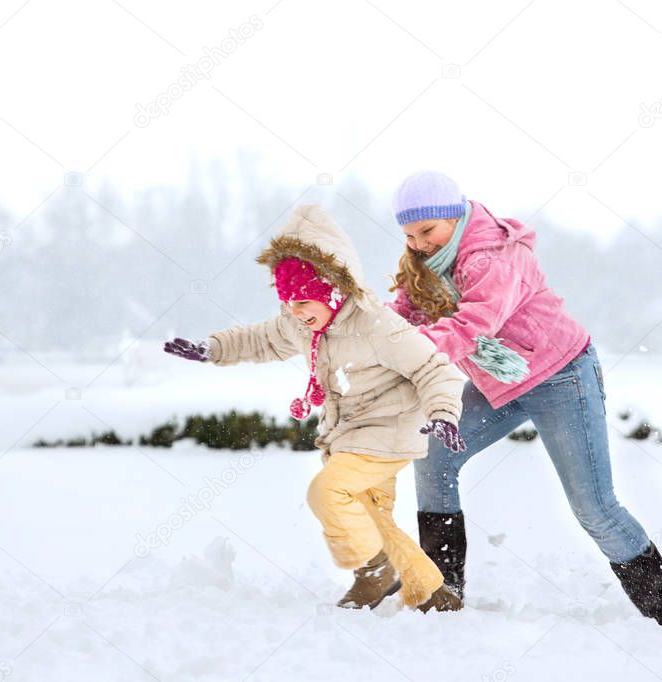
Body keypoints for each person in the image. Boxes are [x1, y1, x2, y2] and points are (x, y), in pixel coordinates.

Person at [386, 171, 662, 625]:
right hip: (501, 383)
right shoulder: (429, 262)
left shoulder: (492, 257)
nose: (419, 244)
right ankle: (441, 593)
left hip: (560, 377)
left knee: (594, 507)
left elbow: (472, 325)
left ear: (456, 216)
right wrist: (365, 338)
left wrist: (407, 351)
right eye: (409, 235)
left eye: (427, 231)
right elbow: (402, 316)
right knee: (434, 454)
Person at [165, 204, 467, 612]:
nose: (296, 311)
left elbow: (434, 367)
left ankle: (373, 571)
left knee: (328, 492)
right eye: (288, 302)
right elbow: (260, 340)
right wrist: (212, 349)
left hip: (388, 432)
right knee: (371, 517)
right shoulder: (300, 322)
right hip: (347, 435)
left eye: (304, 300)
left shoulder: (377, 325)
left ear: (332, 290)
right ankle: (432, 594)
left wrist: (443, 413)